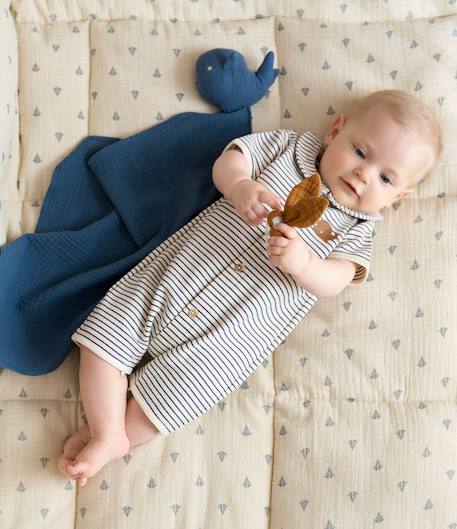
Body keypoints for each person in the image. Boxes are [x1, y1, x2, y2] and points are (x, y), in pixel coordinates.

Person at [58, 89, 443, 487]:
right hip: (175, 278)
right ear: (335, 130)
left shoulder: (358, 230)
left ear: (399, 197)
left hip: (229, 336)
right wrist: (241, 185)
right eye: (361, 152)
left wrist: (305, 264)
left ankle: (112, 437)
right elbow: (230, 160)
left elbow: (336, 279)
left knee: (175, 397)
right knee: (103, 342)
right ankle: (106, 429)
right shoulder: (289, 148)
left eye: (385, 178)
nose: (364, 174)